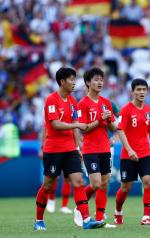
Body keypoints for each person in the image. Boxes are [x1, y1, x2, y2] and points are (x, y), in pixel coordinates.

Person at [34, 67, 106, 230]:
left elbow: (74, 129)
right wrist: (76, 124)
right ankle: (39, 220)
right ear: (62, 82)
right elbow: (55, 124)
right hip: (53, 149)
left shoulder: (73, 101)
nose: (74, 83)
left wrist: (79, 146)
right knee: (48, 185)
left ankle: (86, 220)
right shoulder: (51, 99)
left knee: (79, 182)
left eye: (75, 79)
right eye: (71, 79)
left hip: (70, 149)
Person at [73, 67, 117, 228]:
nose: (99, 82)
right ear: (87, 82)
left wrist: (110, 121)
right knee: (96, 184)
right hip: (90, 148)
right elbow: (83, 128)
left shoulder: (106, 103)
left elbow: (112, 127)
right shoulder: (82, 104)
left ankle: (99, 218)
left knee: (104, 184)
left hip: (105, 147)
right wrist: (100, 120)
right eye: (96, 79)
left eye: (101, 79)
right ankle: (79, 206)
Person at [114, 78, 150, 225]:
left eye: (144, 89)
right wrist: (129, 149)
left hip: (145, 153)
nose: (141, 92)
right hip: (128, 155)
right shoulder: (126, 109)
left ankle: (146, 217)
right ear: (132, 92)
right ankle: (118, 212)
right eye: (138, 90)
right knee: (126, 187)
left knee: (148, 181)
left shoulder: (149, 111)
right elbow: (120, 130)